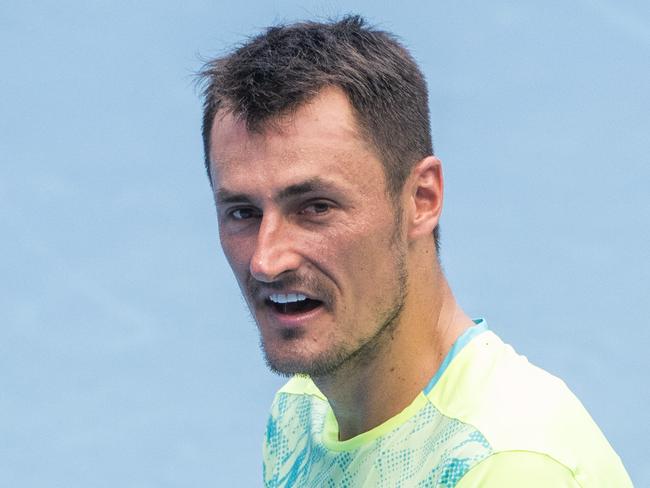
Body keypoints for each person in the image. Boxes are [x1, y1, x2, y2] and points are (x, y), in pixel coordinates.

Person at [197, 15, 632, 487]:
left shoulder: (509, 465)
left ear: (421, 199)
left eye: (316, 208)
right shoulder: (301, 413)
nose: (266, 260)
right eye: (242, 212)